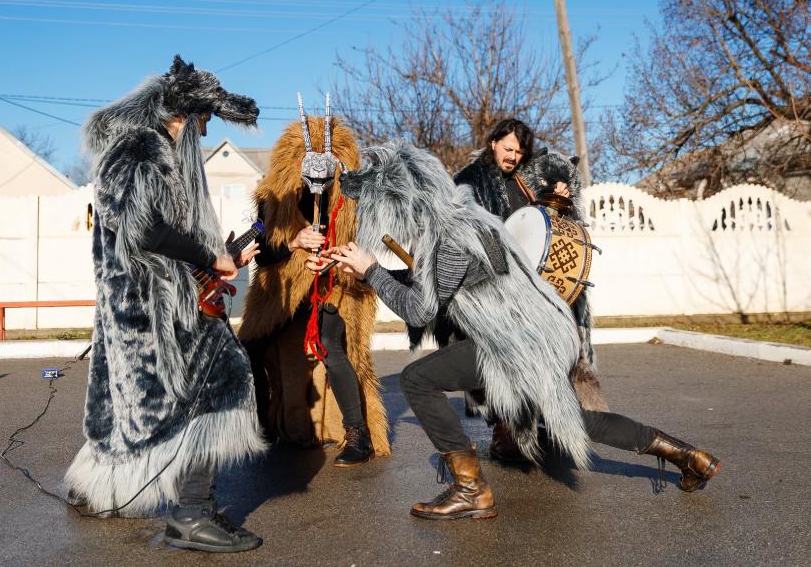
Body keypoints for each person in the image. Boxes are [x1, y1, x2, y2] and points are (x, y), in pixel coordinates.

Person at [63, 56, 266, 553]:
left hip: (149, 301)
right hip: (149, 307)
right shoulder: (140, 147)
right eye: (204, 121)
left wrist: (223, 257)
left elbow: (158, 234)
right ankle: (191, 515)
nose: (204, 132)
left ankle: (96, 489)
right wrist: (209, 255)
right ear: (187, 115)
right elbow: (142, 229)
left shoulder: (142, 146)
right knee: (224, 380)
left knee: (130, 403)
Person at [328, 139, 591, 520]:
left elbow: (420, 309)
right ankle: (686, 455)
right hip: (522, 335)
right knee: (576, 418)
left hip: (511, 343)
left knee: (418, 380)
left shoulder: (448, 238)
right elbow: (433, 282)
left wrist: (372, 270)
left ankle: (471, 490)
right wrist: (372, 273)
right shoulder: (465, 218)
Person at [455, 118, 721, 492]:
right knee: (541, 394)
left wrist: (559, 197)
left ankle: (517, 434)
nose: (513, 156)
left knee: (548, 397)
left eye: (519, 151)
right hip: (504, 300)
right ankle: (685, 454)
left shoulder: (529, 179)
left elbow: (551, 229)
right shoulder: (468, 182)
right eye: (508, 148)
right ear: (493, 142)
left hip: (534, 303)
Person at [238, 108, 389, 467]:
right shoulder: (271, 198)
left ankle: (358, 435)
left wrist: (335, 259)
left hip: (335, 287)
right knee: (250, 349)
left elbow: (366, 251)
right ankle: (261, 426)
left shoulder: (353, 200)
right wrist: (292, 244)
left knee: (332, 347)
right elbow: (264, 253)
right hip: (284, 293)